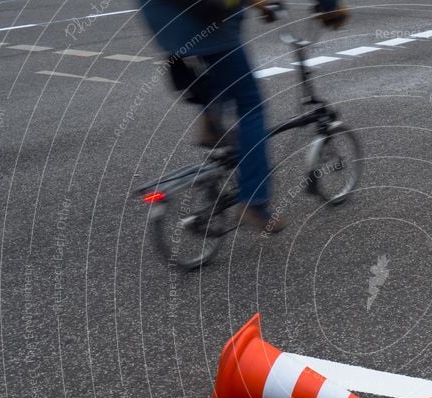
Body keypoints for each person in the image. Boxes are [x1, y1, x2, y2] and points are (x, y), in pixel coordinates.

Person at [137, 0, 348, 232]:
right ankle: (254, 201)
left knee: (215, 74)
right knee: (251, 105)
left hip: (162, 21)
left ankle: (210, 118)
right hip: (204, 21)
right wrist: (329, 6)